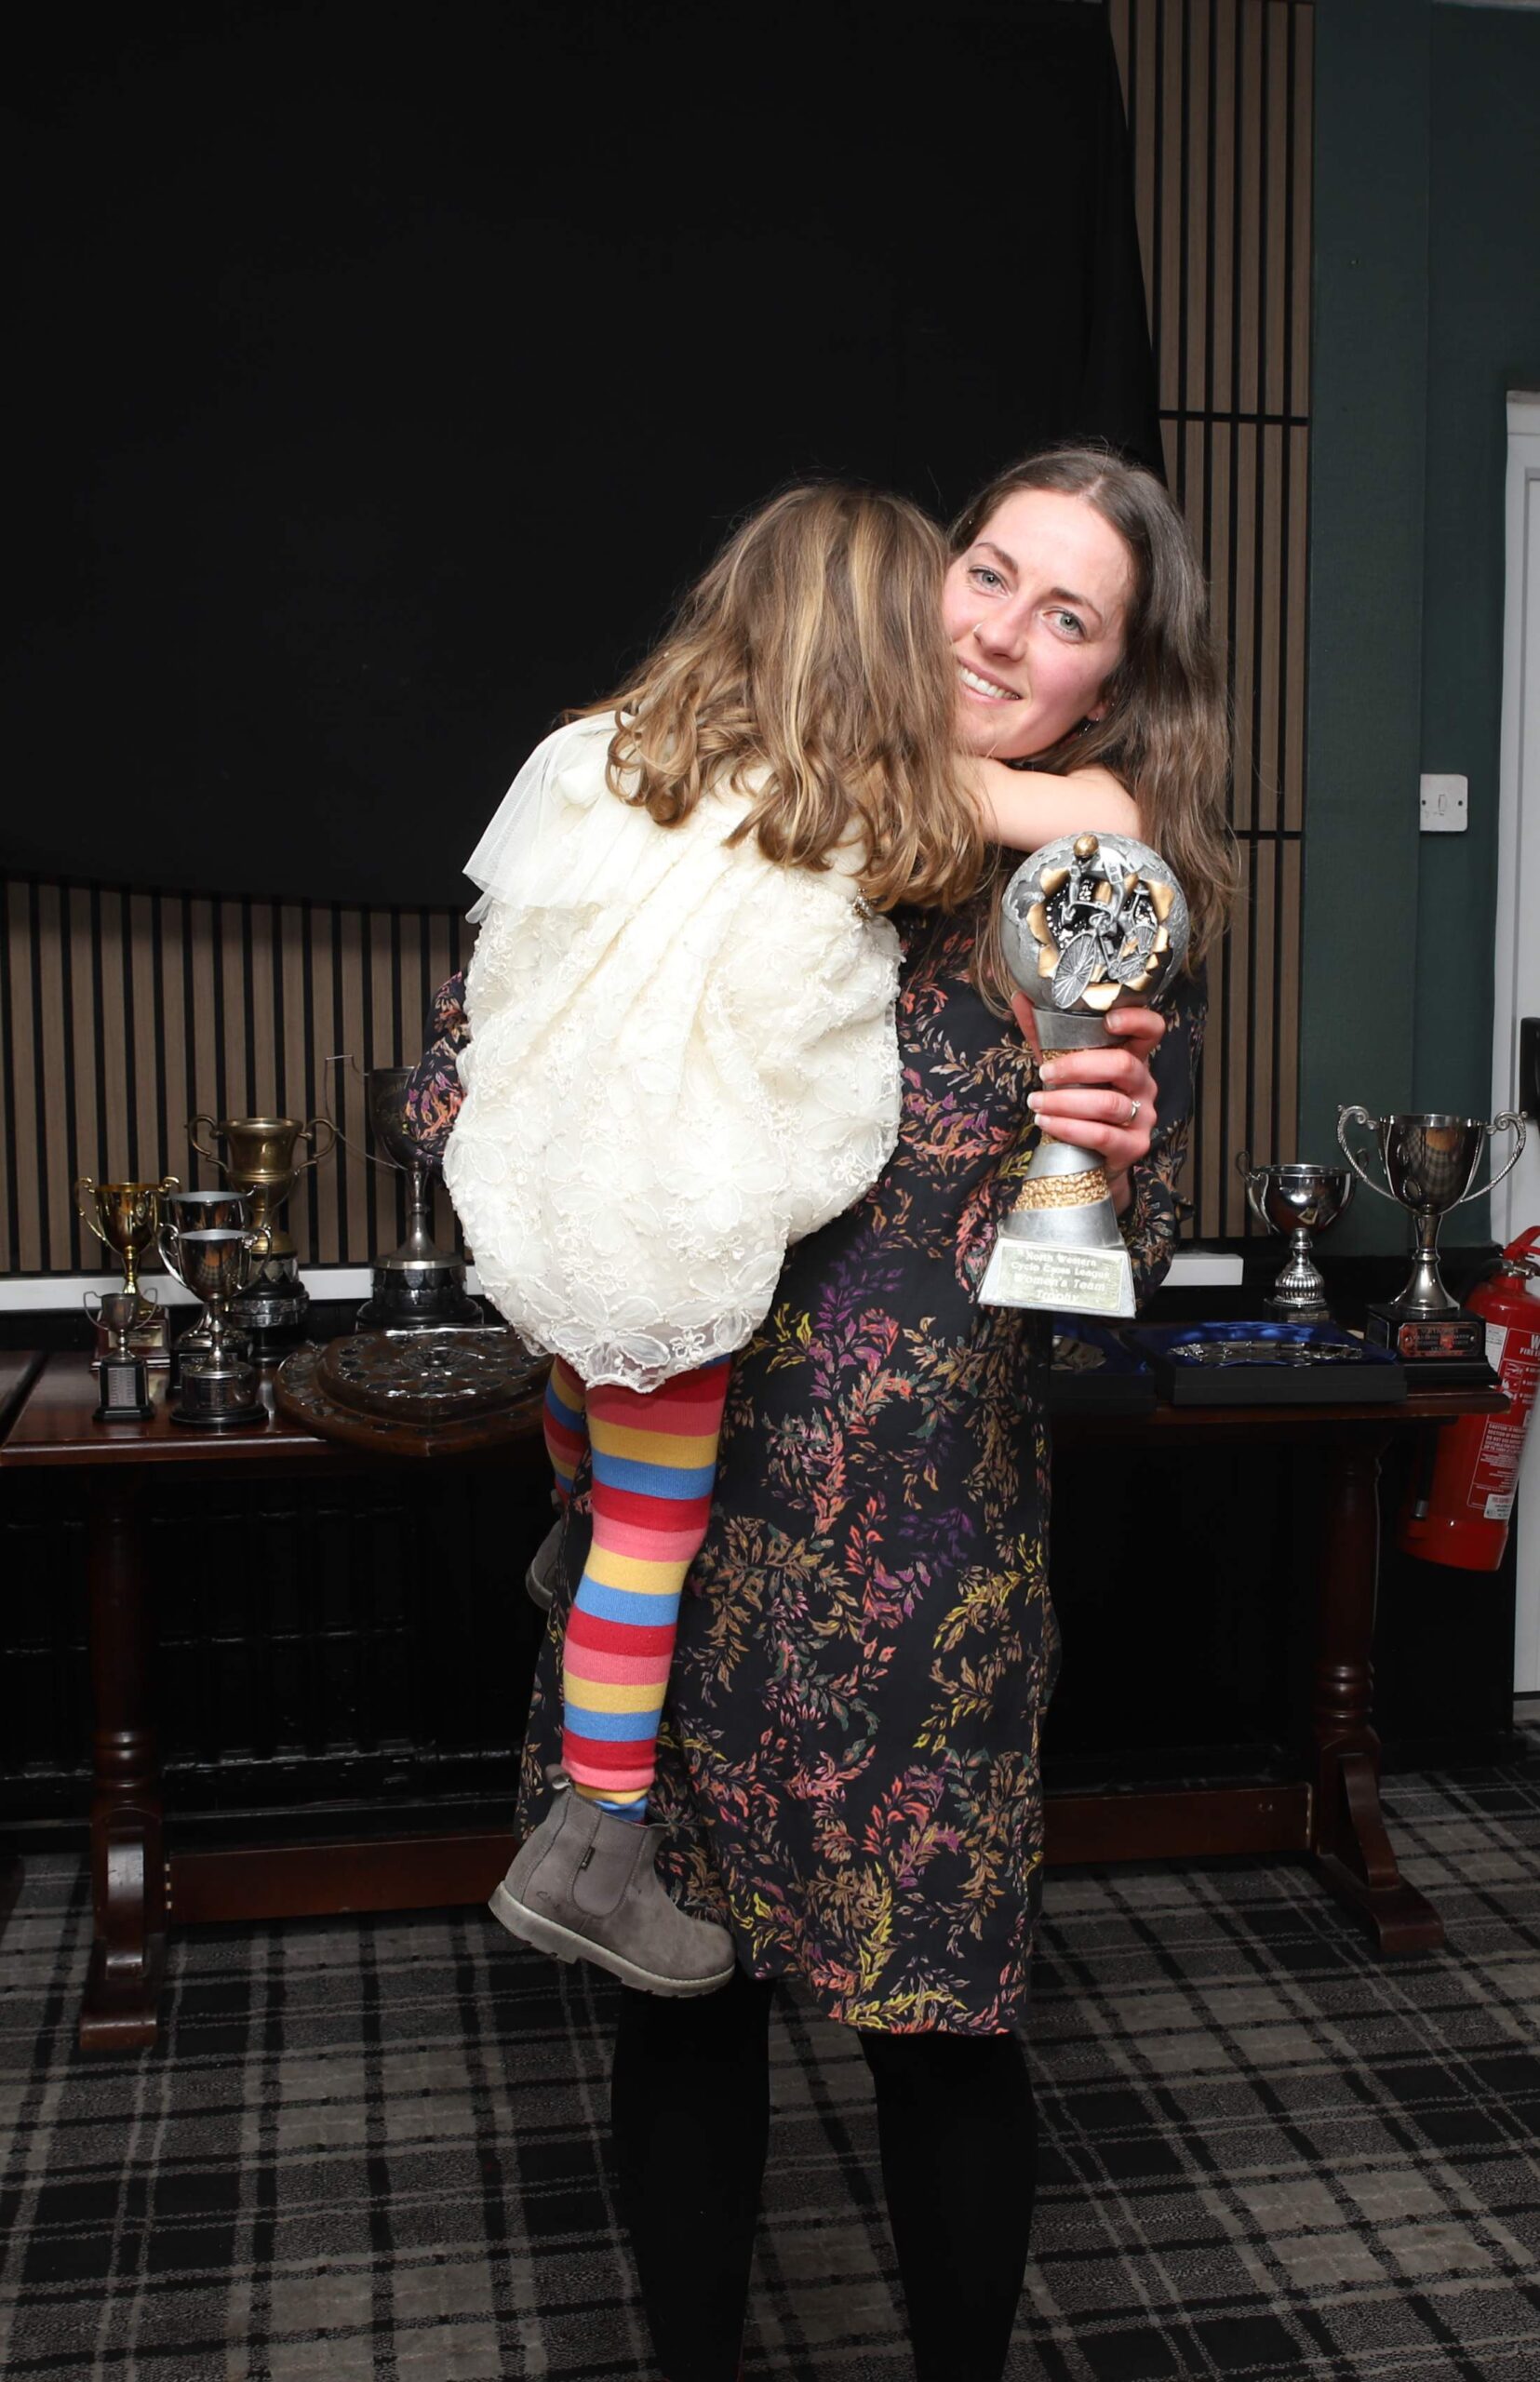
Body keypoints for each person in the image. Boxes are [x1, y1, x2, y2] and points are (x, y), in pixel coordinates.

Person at [437, 484, 1143, 2002]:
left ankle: (569, 1522)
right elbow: (1105, 815)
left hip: (564, 1217)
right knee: (649, 1533)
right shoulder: (862, 798)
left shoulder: (604, 754)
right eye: (981, 582)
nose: (994, 636)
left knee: (592, 1396)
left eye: (1066, 618)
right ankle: (593, 1855)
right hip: (680, 1247)